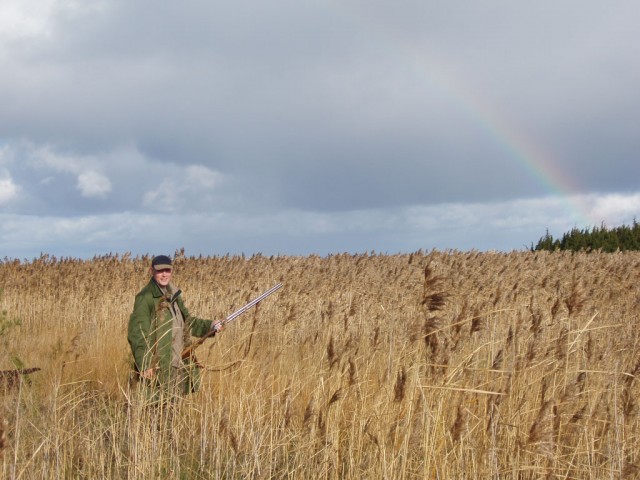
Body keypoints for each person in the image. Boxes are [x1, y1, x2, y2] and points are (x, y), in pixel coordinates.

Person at [128, 254, 220, 399]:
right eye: (160, 271)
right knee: (158, 407)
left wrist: (210, 325)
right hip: (159, 365)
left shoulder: (174, 296)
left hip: (178, 362)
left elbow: (187, 322)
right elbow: (138, 333)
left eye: (167, 270)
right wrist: (145, 364)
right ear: (152, 271)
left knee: (174, 405)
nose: (164, 274)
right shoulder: (145, 297)